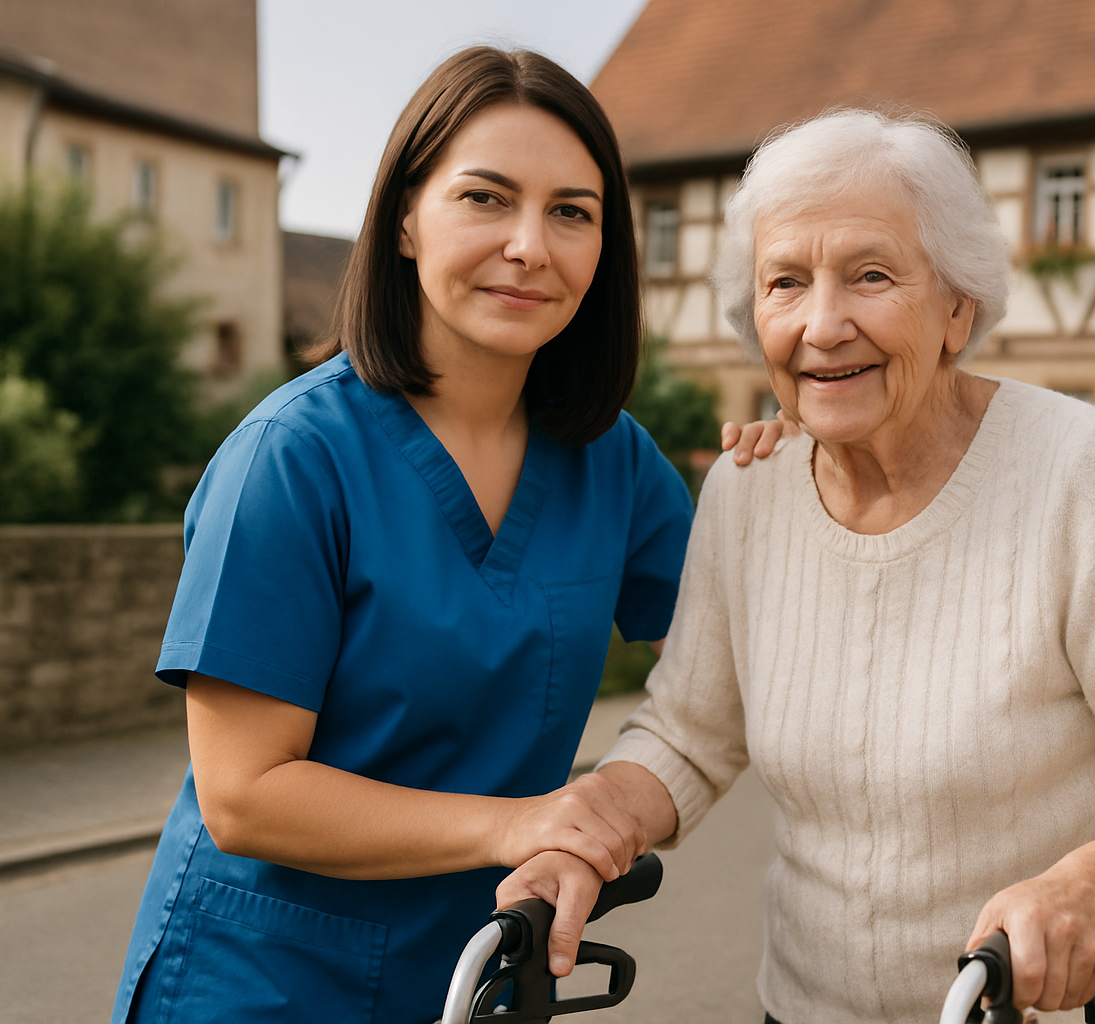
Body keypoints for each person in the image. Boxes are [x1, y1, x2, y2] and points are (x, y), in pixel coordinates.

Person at [498, 109, 1095, 1024]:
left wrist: (1091, 889)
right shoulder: (750, 492)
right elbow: (688, 735)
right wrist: (585, 832)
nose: (823, 325)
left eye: (871, 275)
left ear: (957, 306)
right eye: (786, 283)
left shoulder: (1072, 466)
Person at [111, 47, 782, 1024]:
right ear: (405, 224)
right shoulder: (293, 459)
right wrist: (525, 823)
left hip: (476, 974)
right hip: (259, 984)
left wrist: (811, 485)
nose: (528, 245)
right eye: (485, 199)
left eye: (571, 212)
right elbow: (245, 794)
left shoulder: (616, 463)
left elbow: (745, 668)